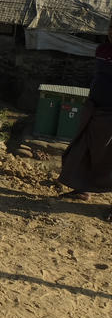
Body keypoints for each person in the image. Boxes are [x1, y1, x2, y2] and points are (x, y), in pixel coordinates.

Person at [57, 20, 112, 221]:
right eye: (110, 29)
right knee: (82, 149)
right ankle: (82, 189)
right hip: (95, 109)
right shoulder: (103, 50)